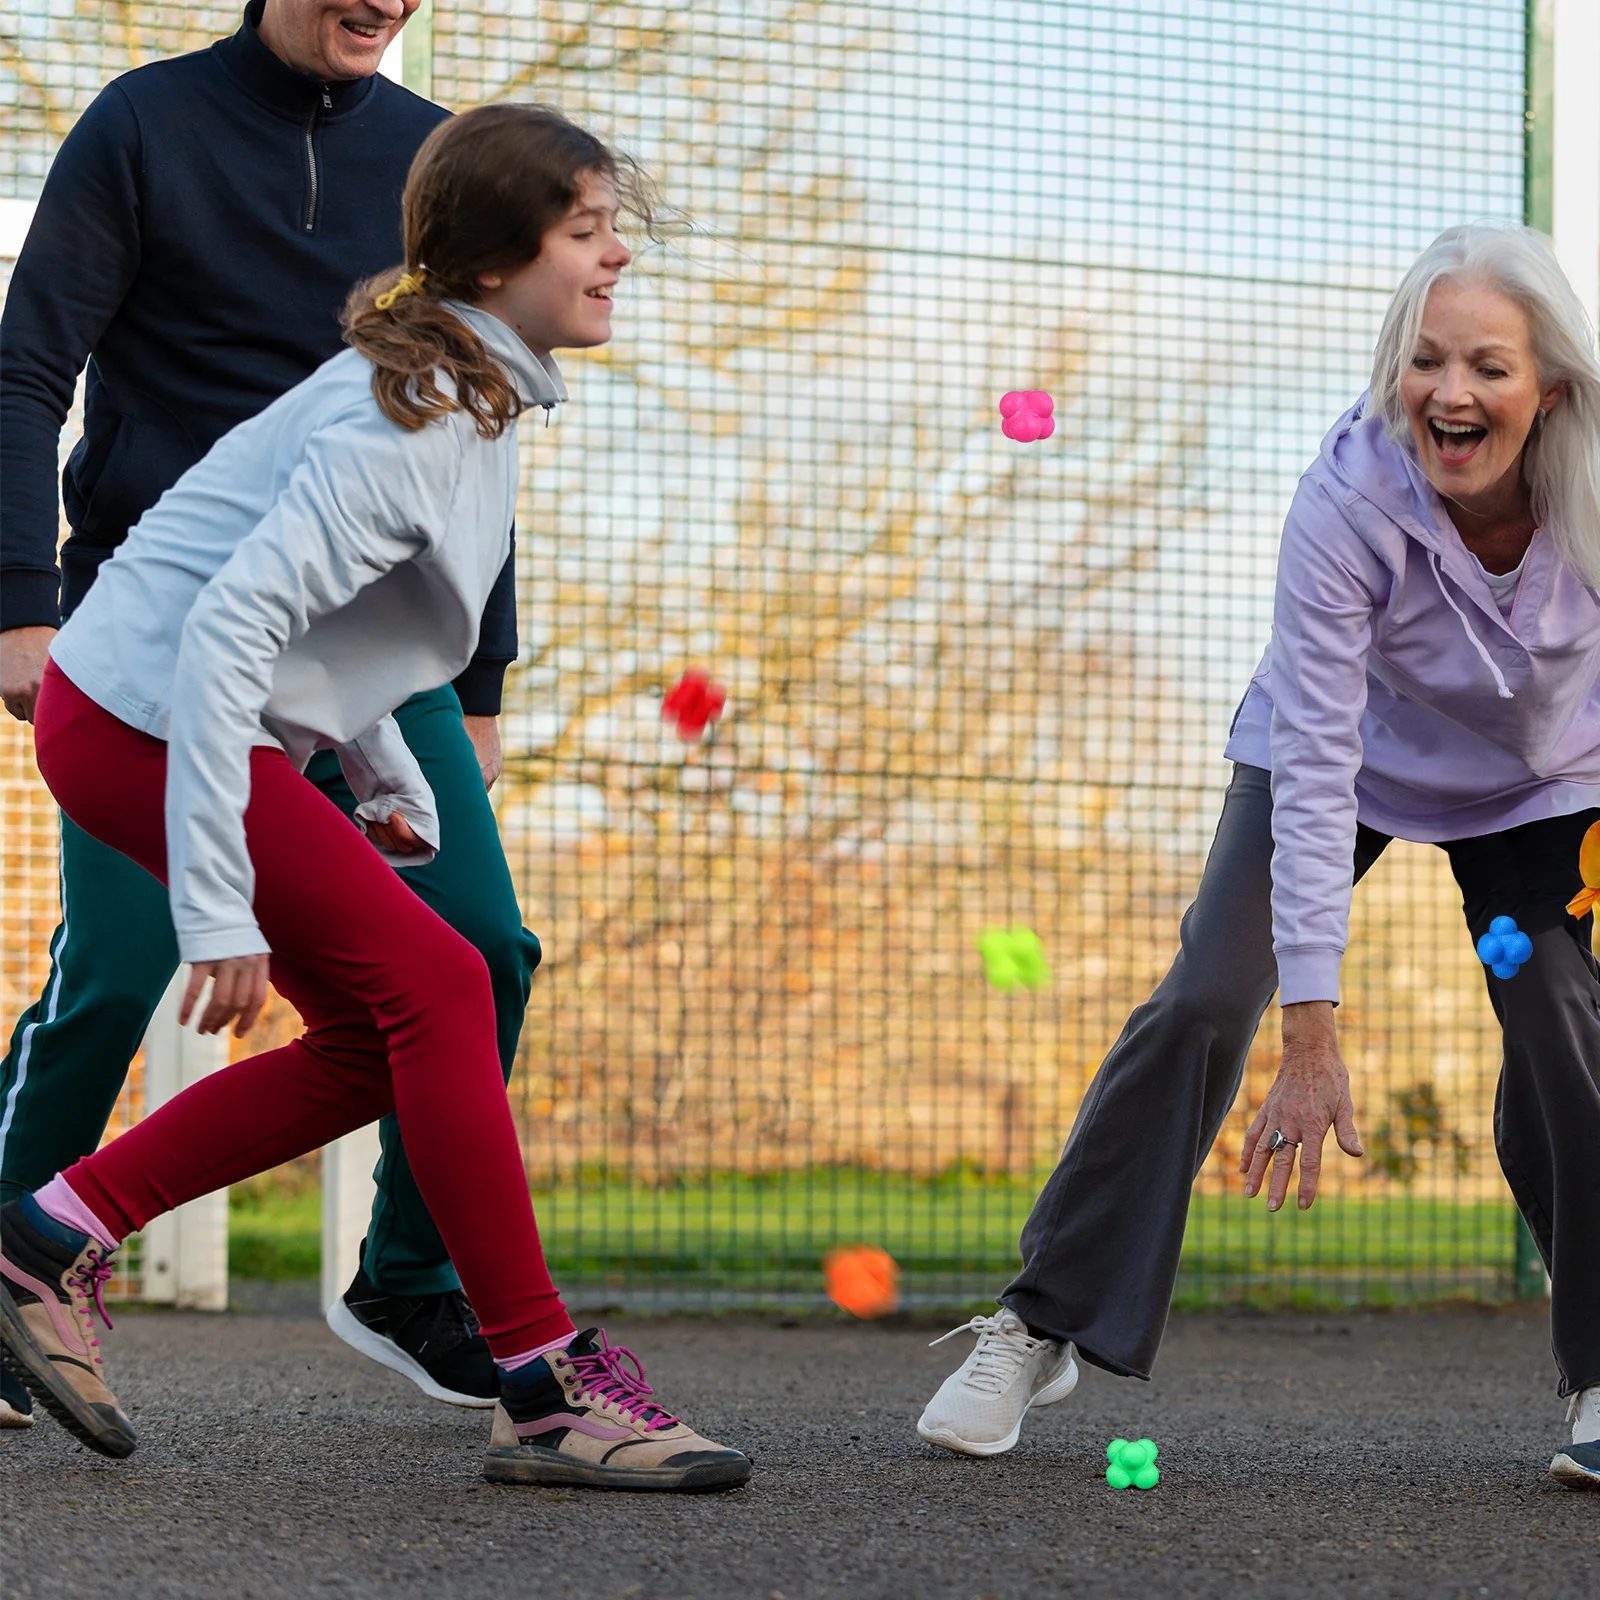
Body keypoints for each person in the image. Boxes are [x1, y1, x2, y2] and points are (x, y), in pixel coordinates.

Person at [0, 103, 752, 1492]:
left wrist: (380, 777)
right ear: (490, 263)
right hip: (139, 719)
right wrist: (218, 908)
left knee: (375, 1031)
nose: (617, 257)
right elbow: (228, 636)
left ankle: (49, 1234)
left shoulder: (475, 394)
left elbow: (342, 638)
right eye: (586, 230)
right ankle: (541, 1382)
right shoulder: (402, 423)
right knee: (444, 986)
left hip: (192, 720)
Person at [916, 224, 1600, 1491]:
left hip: (1545, 783)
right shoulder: (1347, 495)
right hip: (1339, 758)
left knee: (1563, 1006)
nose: (1452, 394)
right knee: (1202, 999)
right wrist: (1312, 1028)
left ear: (1548, 383)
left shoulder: (1594, 485)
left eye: (1489, 368)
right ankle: (1040, 1320)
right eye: (1426, 362)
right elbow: (1320, 758)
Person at [0, 0, 538, 1426]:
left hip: (361, 654)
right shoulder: (144, 124)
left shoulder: (438, 160)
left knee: (478, 945)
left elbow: (473, 410)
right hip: (157, 629)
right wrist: (16, 598)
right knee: (118, 970)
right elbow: (26, 368)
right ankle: (13, 1265)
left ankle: (414, 1283)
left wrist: (477, 678)